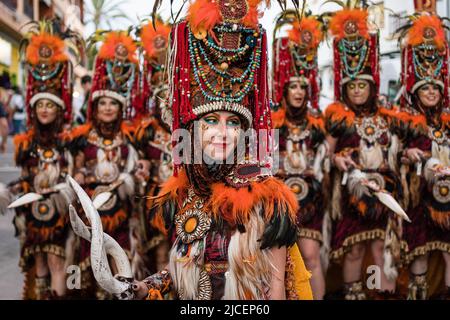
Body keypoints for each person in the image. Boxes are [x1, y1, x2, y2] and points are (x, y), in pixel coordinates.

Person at [69, 0, 313, 300]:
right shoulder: (185, 193)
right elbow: (186, 271)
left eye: (233, 123)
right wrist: (145, 287)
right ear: (194, 129)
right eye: (211, 121)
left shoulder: (266, 199)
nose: (222, 133)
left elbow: (277, 288)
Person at [324, 3, 407, 299]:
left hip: (385, 189)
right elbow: (325, 154)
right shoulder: (336, 117)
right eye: (352, 86)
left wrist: (407, 156)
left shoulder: (388, 115)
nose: (358, 90)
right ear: (345, 89)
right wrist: (336, 159)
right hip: (352, 193)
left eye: (363, 85)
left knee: (379, 246)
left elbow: (405, 146)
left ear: (372, 88)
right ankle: (353, 294)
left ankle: (379, 294)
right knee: (355, 247)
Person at [64, 30, 142, 299]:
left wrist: (130, 179)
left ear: (120, 109)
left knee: (122, 273)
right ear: (94, 108)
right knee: (89, 274)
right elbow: (73, 177)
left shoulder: (130, 141)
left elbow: (137, 177)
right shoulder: (82, 140)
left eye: (113, 104)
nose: (108, 108)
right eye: (103, 103)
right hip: (91, 218)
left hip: (120, 218)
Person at [9, 20, 81, 299]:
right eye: (40, 105)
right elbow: (27, 174)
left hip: (60, 211)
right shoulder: (25, 143)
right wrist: (16, 188)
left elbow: (75, 174)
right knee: (37, 261)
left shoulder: (69, 139)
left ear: (59, 108)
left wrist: (62, 192)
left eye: (50, 105)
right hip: (33, 210)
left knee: (56, 261)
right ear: (33, 108)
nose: (45, 110)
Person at [271, 10, 328, 299]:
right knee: (279, 265)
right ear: (283, 89)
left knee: (311, 257)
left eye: (302, 87)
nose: (298, 91)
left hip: (310, 199)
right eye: (292, 86)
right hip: (280, 200)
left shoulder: (318, 125)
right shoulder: (272, 123)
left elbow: (324, 161)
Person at [396, 12, 450, 300]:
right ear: (416, 92)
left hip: (447, 197)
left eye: (435, 88)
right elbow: (392, 153)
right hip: (417, 196)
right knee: (419, 251)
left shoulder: (449, 119)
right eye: (425, 88)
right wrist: (407, 153)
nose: (430, 92)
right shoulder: (405, 119)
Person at [133, 18, 172, 276]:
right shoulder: (146, 131)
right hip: (157, 198)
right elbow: (139, 160)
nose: (165, 104)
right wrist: (143, 168)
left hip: (186, 198)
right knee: (160, 253)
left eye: (170, 98)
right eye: (160, 99)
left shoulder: (192, 129)